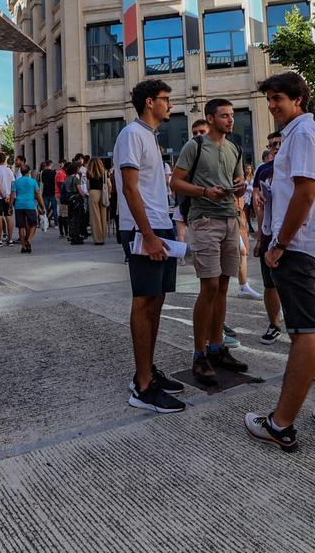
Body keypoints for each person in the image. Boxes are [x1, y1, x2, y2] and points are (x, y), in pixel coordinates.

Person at [245, 72, 315, 448]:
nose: (273, 106)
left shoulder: (304, 135)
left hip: (300, 247)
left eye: (279, 99)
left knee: (304, 333)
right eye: (270, 99)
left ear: (299, 99)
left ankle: (281, 423)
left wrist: (280, 242)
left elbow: (305, 192)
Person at [115, 79, 185, 413]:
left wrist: (165, 229)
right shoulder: (131, 135)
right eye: (165, 99)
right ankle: (142, 387)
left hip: (161, 224)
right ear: (148, 103)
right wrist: (149, 234)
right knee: (144, 302)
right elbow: (130, 189)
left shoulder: (150, 137)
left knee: (157, 300)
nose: (169, 104)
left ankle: (147, 370)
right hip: (144, 229)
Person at [171, 99, 250, 386]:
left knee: (225, 284)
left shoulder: (234, 148)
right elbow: (176, 182)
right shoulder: (196, 145)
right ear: (210, 118)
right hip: (204, 219)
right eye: (224, 116)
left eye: (231, 115)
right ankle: (199, 353)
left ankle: (217, 347)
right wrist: (205, 191)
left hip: (230, 218)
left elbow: (239, 177)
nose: (230, 120)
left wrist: (240, 184)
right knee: (210, 285)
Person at [252, 132, 286, 343]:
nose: (275, 147)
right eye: (272, 145)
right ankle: (274, 324)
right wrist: (259, 238)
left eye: (279, 144)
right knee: (269, 284)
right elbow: (259, 204)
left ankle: (298, 327)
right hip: (268, 233)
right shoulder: (263, 170)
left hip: (291, 234)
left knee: (291, 284)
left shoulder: (294, 165)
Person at [13, 164, 46, 253]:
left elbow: (12, 195)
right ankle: (29, 240)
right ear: (29, 172)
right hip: (30, 205)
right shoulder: (33, 181)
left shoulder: (16, 182)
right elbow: (38, 195)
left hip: (19, 205)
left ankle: (23, 247)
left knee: (21, 227)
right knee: (33, 224)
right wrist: (42, 206)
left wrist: (10, 206)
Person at [87, 158, 109, 245]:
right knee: (103, 216)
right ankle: (103, 237)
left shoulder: (89, 172)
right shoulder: (105, 172)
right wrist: (108, 193)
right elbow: (109, 184)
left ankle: (97, 239)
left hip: (93, 193)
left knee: (95, 217)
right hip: (103, 193)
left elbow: (88, 186)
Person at [40, 160, 58, 228]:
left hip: (45, 192)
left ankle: (46, 223)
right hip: (52, 192)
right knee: (54, 208)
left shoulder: (43, 172)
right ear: (51, 164)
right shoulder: (54, 172)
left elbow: (42, 182)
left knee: (45, 209)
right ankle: (56, 223)